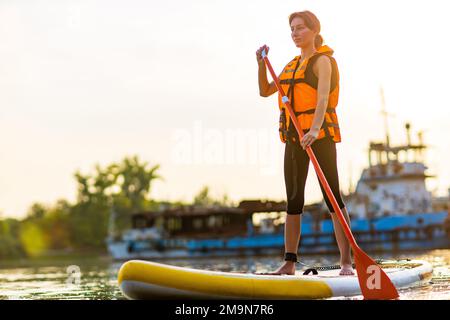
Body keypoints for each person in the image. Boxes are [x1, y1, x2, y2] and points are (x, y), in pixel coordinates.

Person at [256, 10, 354, 276]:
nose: (295, 33)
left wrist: (314, 128)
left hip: (318, 136)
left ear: (313, 30)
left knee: (332, 197)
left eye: (300, 28)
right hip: (293, 136)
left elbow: (322, 99)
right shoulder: (290, 65)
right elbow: (265, 91)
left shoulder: (323, 61)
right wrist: (260, 65)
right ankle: (289, 263)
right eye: (292, 29)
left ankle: (346, 262)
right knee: (293, 199)